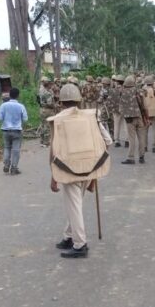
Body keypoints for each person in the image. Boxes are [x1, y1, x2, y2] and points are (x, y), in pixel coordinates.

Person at [49, 84, 112, 258]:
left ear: (61, 102)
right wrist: (96, 162)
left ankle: (79, 244)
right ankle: (69, 236)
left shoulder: (58, 120)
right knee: (75, 205)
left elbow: (54, 151)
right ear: (79, 100)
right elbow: (108, 141)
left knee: (74, 206)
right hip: (89, 168)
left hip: (67, 170)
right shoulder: (91, 117)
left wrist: (53, 177)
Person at [0, 87, 28, 175]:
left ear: (9, 95)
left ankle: (6, 165)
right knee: (16, 150)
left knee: (7, 147)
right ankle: (14, 168)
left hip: (6, 130)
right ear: (18, 96)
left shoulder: (3, 105)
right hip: (17, 130)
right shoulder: (21, 106)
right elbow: (25, 119)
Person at [119, 76, 148, 164]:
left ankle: (131, 158)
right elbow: (144, 104)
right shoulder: (138, 91)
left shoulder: (123, 92)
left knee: (131, 139)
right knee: (141, 137)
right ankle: (142, 157)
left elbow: (121, 109)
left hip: (129, 119)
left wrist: (125, 115)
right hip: (139, 116)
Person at [109, 75, 129, 148]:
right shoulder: (126, 90)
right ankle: (127, 141)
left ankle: (117, 141)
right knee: (126, 125)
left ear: (117, 82)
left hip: (116, 110)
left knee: (116, 125)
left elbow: (110, 100)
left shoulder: (113, 90)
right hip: (125, 109)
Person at [38, 77, 56, 147]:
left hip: (42, 109)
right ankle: (46, 142)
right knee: (47, 126)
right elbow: (50, 103)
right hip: (48, 110)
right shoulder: (47, 92)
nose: (49, 83)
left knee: (42, 125)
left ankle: (42, 141)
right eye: (48, 82)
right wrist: (55, 106)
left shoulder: (41, 89)